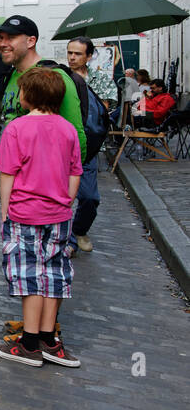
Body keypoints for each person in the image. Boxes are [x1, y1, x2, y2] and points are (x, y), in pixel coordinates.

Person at [0, 68, 82, 368]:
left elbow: (7, 173)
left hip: (25, 211)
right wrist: (65, 202)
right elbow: (74, 174)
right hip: (59, 214)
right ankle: (49, 339)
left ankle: (29, 341)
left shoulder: (17, 128)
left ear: (28, 95)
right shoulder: (68, 129)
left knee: (29, 273)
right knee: (55, 273)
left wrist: (4, 209)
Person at [0, 16, 85, 162]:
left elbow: (76, 134)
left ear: (31, 41)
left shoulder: (53, 76)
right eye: (0, 38)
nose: (2, 44)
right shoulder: (10, 75)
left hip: (43, 177)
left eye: (10, 38)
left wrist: (67, 177)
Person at [65, 36, 114, 254]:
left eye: (77, 54)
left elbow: (101, 114)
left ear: (89, 56)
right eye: (70, 53)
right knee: (61, 198)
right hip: (62, 147)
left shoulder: (101, 81)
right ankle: (67, 241)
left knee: (89, 198)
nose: (72, 57)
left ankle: (79, 230)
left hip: (88, 149)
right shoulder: (60, 77)